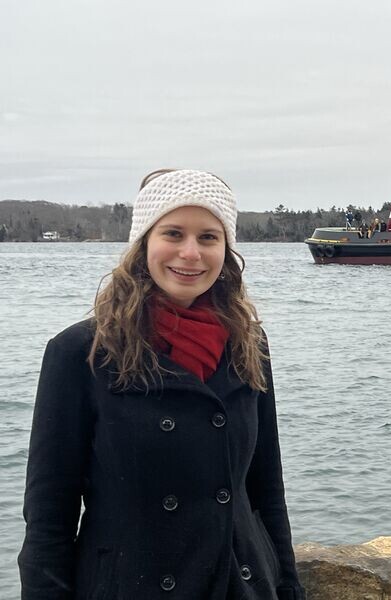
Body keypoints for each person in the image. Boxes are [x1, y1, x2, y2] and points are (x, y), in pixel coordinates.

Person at [18, 169, 306, 600]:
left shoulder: (247, 342)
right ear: (144, 242)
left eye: (208, 237)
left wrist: (288, 587)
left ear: (226, 250)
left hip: (242, 584)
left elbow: (266, 489)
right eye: (173, 233)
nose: (190, 253)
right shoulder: (81, 352)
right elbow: (48, 517)